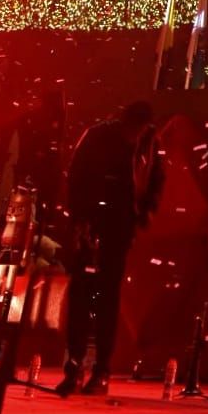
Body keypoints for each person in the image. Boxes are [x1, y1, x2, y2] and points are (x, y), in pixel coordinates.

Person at [55, 100, 164, 398]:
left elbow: (154, 181)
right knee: (81, 295)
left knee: (107, 298)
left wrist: (144, 213)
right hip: (91, 222)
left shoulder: (148, 143)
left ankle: (101, 369)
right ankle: (75, 367)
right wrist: (80, 219)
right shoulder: (97, 137)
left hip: (120, 226)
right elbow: (76, 176)